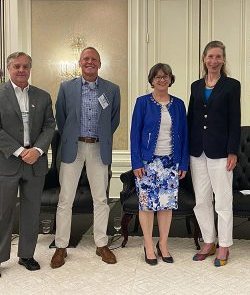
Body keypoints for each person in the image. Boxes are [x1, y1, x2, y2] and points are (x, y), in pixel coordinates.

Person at [50, 47, 120, 268]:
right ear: (80, 63)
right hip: (73, 147)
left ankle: (101, 244)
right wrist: (72, 137)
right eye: (86, 59)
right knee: (65, 199)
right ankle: (61, 246)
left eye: (94, 60)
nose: (90, 62)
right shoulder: (66, 88)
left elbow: (114, 119)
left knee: (101, 199)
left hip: (99, 148)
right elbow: (61, 118)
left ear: (100, 64)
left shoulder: (111, 89)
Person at [0, 52, 55, 276]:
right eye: (17, 66)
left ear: (30, 69)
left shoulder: (42, 96)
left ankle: (27, 255)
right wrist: (21, 151)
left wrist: (38, 150)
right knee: (3, 213)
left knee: (32, 211)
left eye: (25, 66)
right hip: (7, 162)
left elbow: (49, 126)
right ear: (8, 69)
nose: (21, 70)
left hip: (35, 163)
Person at [188, 41, 241, 266]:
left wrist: (233, 151)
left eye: (218, 57)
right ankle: (209, 241)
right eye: (210, 56)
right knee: (201, 200)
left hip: (221, 152)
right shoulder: (196, 86)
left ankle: (225, 245)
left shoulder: (232, 85)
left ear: (223, 60)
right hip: (197, 151)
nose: (214, 61)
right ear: (204, 59)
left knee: (223, 199)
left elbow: (234, 120)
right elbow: (191, 118)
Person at [130, 63, 188, 265]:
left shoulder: (179, 104)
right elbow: (134, 134)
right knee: (146, 206)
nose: (162, 80)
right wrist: (136, 161)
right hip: (147, 163)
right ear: (151, 80)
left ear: (171, 79)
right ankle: (148, 245)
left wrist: (183, 163)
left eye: (165, 76)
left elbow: (185, 135)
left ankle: (163, 244)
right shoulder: (142, 103)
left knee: (166, 205)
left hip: (170, 163)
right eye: (157, 77)